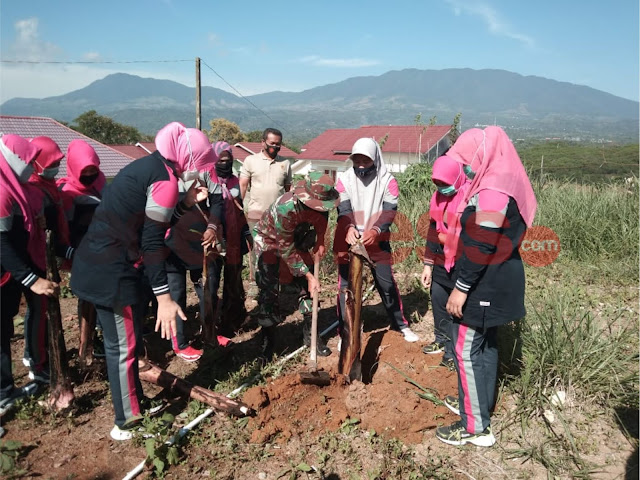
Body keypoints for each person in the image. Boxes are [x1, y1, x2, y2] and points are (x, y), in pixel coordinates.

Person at [70, 122, 214, 440]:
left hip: (106, 263)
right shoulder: (164, 181)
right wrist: (163, 297)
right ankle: (127, 422)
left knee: (126, 344)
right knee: (123, 347)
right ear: (188, 158)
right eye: (199, 163)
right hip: (112, 271)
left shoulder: (151, 167)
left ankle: (135, 406)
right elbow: (151, 242)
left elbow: (151, 224)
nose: (198, 171)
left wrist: (186, 205)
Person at [433, 126, 537, 447]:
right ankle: (478, 404)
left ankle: (475, 427)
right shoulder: (503, 181)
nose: (465, 167)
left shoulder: (493, 190)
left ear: (483, 154)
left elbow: (482, 243)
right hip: (498, 278)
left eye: (467, 160)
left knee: (464, 348)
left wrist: (461, 287)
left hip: (484, 283)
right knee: (485, 345)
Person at [334, 137, 419, 344]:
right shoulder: (343, 179)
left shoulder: (387, 181)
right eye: (357, 161)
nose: (361, 166)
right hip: (350, 238)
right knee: (346, 287)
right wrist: (349, 227)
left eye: (366, 161)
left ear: (375, 159)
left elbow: (389, 211)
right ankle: (345, 333)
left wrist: (376, 230)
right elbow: (343, 208)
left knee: (386, 284)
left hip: (377, 239)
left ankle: (400, 325)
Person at [253, 171, 339, 360]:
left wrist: (320, 241)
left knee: (309, 290)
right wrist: (308, 275)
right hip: (271, 242)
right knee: (270, 290)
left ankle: (311, 338)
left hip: (297, 239)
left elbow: (322, 219)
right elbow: (286, 250)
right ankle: (267, 343)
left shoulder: (321, 204)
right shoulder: (286, 208)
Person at [0, 134, 56, 416]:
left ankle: (7, 389)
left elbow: (15, 228)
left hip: (10, 272)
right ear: (13, 160)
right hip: (7, 270)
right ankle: (3, 394)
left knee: (4, 329)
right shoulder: (1, 190)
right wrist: (31, 280)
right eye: (27, 161)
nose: (30, 166)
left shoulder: (14, 185)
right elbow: (0, 243)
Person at [163, 143, 225, 362]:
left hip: (201, 239)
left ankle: (210, 332)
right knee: (176, 291)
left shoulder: (209, 171)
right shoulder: (166, 171)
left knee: (207, 289)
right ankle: (179, 343)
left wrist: (212, 227)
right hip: (172, 241)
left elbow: (217, 202)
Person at [23, 136, 75, 382]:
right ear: (36, 163)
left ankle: (37, 355)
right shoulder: (33, 191)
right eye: (51, 162)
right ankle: (37, 361)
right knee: (40, 310)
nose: (55, 167)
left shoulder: (48, 186)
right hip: (35, 257)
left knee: (41, 309)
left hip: (48, 253)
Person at [420, 154, 472, 371]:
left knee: (456, 308)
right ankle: (441, 340)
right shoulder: (437, 198)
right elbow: (433, 231)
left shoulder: (470, 197)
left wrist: (449, 239)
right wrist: (428, 264)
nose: (441, 188)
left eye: (445, 183)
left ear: (457, 177)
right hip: (441, 260)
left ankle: (453, 352)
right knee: (439, 300)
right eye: (437, 183)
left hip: (462, 262)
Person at [57, 140, 106, 359]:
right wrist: (72, 255)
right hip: (81, 252)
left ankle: (102, 337)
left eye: (92, 170)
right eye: (84, 171)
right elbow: (63, 230)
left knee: (103, 295)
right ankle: (88, 343)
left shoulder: (101, 183)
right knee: (87, 298)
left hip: (104, 249)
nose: (89, 175)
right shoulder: (66, 194)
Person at [201, 141, 252, 336]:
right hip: (212, 241)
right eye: (220, 160)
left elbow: (239, 209)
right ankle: (209, 329)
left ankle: (230, 323)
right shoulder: (206, 180)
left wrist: (246, 232)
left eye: (228, 160)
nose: (224, 163)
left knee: (233, 282)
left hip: (233, 241)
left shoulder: (235, 181)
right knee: (211, 284)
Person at [239, 128, 292, 293]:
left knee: (276, 252)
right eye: (272, 143)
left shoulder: (285, 163)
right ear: (263, 142)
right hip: (256, 215)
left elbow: (289, 190)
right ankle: (256, 286)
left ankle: (274, 286)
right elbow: (242, 185)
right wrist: (238, 210)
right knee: (257, 252)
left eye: (278, 144)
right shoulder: (250, 161)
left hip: (278, 218)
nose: (275, 147)